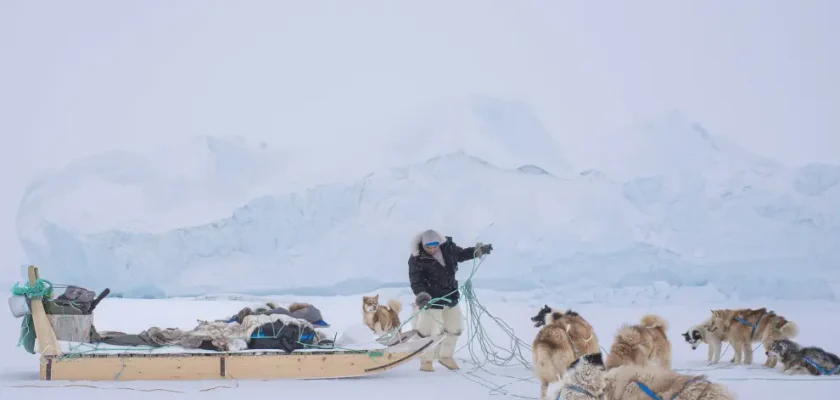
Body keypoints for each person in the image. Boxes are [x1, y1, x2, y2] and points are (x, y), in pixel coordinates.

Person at [408, 229, 493, 372]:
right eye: (429, 247)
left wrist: (478, 250)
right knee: (427, 330)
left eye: (435, 246)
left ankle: (445, 357)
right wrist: (422, 296)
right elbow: (416, 281)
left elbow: (462, 254)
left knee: (455, 327)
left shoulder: (448, 248)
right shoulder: (416, 259)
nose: (432, 249)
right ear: (423, 245)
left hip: (450, 296)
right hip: (431, 299)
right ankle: (426, 360)